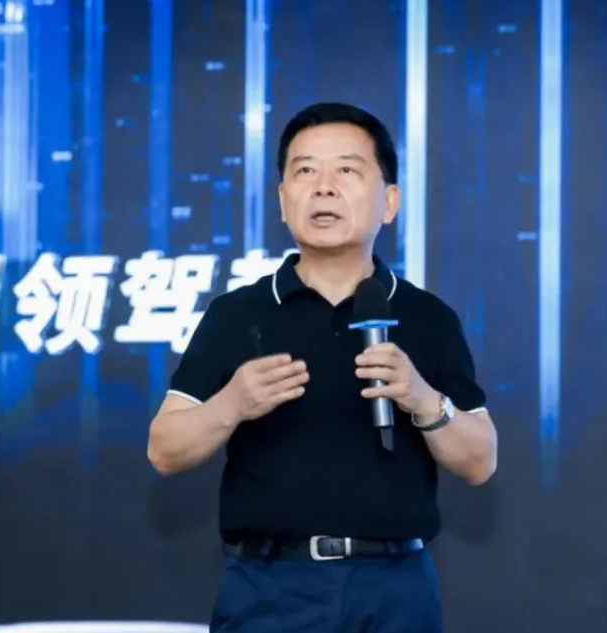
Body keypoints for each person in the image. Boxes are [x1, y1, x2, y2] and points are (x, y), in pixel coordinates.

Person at [146, 102, 498, 632]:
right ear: (283, 200)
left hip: (395, 587)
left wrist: (423, 399)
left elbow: (480, 461)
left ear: (390, 201)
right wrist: (231, 404)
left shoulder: (427, 316)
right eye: (305, 171)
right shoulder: (237, 313)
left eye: (347, 171)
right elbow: (163, 450)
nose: (324, 188)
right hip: (269, 587)